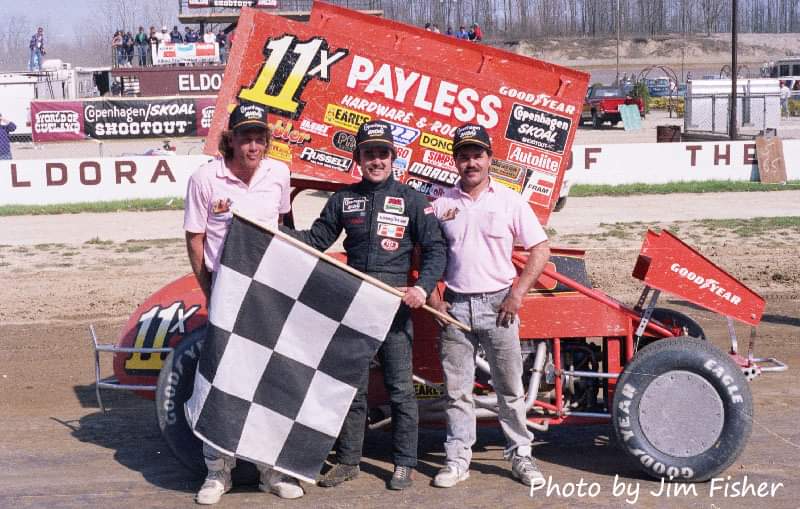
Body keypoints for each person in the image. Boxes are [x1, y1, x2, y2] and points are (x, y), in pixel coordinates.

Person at [283, 120, 447, 491]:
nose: (376, 160)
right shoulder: (343, 200)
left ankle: (403, 463)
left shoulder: (413, 200)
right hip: (355, 307)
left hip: (395, 309)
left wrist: (422, 287)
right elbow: (316, 239)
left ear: (393, 156)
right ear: (358, 158)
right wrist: (272, 230)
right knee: (351, 388)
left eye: (382, 153)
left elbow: (437, 249)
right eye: (368, 153)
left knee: (400, 388)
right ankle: (348, 461)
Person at [184, 101, 304, 504]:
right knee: (224, 380)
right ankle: (218, 472)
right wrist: (209, 289)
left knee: (271, 379)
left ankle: (272, 471)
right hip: (225, 288)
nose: (252, 146)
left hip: (270, 290)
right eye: (245, 137)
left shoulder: (279, 174)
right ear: (230, 139)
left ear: (267, 141)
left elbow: (285, 228)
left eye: (259, 138)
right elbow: (195, 239)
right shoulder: (205, 178)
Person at [428, 124, 550, 489]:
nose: (471, 163)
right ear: (455, 161)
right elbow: (423, 254)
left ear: (490, 159)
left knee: (510, 389)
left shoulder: (510, 201)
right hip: (454, 307)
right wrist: (435, 302)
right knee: (457, 392)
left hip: (500, 306)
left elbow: (540, 250)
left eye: (477, 155)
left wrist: (517, 295)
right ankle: (457, 459)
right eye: (463, 156)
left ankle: (521, 457)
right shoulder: (441, 204)